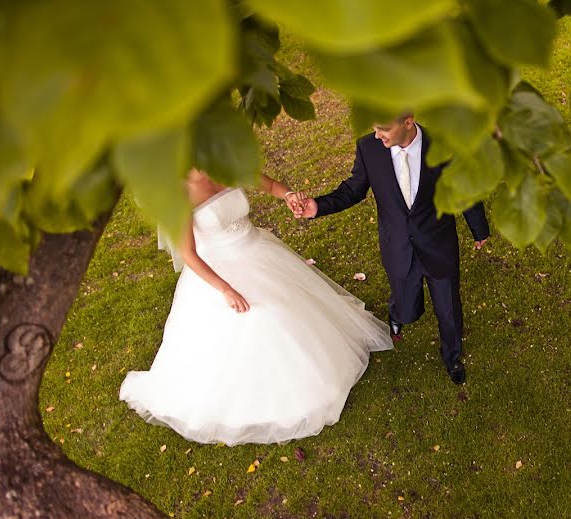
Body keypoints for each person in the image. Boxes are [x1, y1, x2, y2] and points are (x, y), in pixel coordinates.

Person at [119, 169, 393, 446]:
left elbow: (271, 184)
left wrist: (287, 194)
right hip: (220, 271)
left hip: (259, 251)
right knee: (265, 318)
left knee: (293, 308)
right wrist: (226, 289)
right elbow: (189, 254)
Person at [289, 114, 489, 384]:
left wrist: (478, 228)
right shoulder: (369, 149)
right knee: (406, 304)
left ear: (408, 122)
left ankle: (452, 356)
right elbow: (353, 190)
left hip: (437, 243)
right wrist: (318, 206)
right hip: (397, 245)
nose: (377, 135)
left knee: (448, 306)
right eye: (374, 129)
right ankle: (397, 313)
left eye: (383, 129)